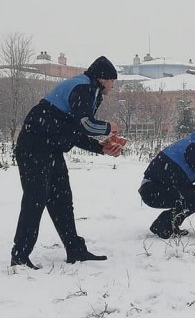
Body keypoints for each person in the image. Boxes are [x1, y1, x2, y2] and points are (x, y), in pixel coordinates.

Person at [11, 56, 123, 269]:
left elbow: (74, 131)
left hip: (50, 147)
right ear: (102, 78)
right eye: (112, 81)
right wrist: (109, 128)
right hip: (34, 146)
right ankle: (19, 256)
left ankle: (75, 250)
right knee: (35, 199)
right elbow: (86, 125)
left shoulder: (88, 89)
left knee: (62, 200)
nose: (113, 86)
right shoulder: (84, 88)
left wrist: (101, 148)